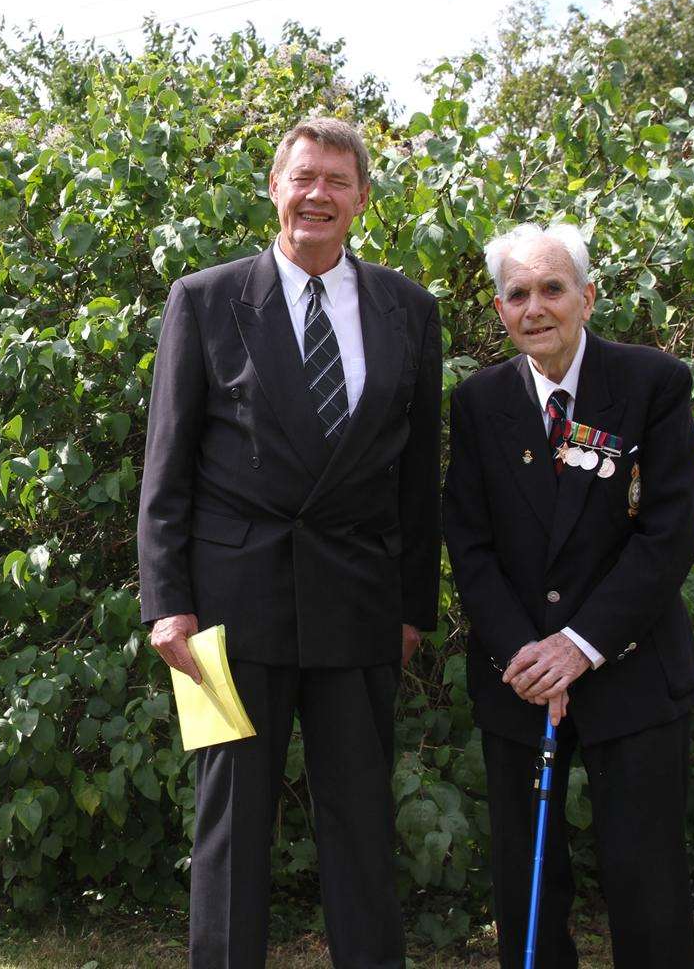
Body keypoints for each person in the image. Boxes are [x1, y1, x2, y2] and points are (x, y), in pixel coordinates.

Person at [136, 117, 441, 969]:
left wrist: (413, 608)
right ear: (275, 189)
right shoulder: (203, 299)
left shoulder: (409, 309)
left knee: (361, 820)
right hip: (223, 618)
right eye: (303, 178)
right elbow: (167, 467)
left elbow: (419, 476)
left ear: (362, 201)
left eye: (337, 182)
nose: (318, 196)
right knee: (229, 829)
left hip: (360, 602)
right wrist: (167, 604)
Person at [443, 222, 694, 968]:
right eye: (517, 293)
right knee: (527, 882)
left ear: (586, 297)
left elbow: (668, 535)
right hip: (520, 679)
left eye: (552, 289)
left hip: (630, 670)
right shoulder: (478, 401)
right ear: (499, 310)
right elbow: (470, 542)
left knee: (644, 878)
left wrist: (578, 647)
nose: (536, 307)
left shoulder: (652, 384)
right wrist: (527, 653)